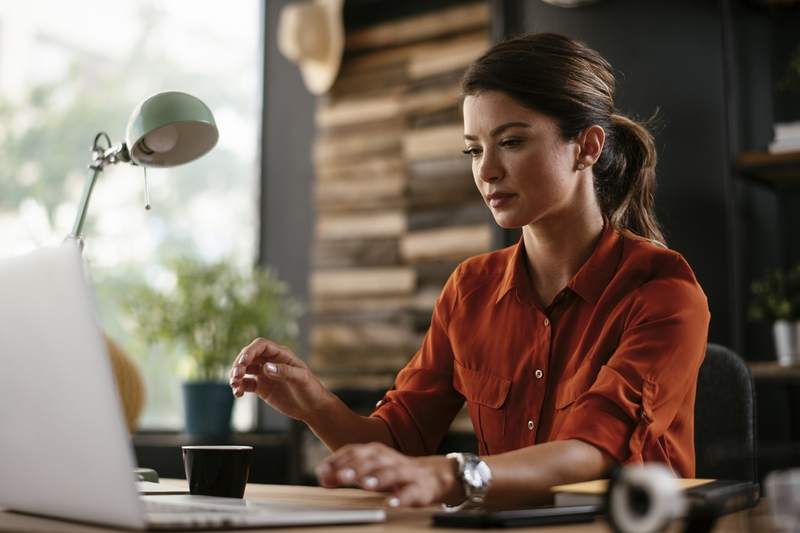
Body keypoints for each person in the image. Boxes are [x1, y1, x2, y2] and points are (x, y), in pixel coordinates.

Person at [229, 32, 710, 510]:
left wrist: (454, 474)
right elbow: (400, 443)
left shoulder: (664, 291)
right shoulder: (470, 289)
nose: (487, 171)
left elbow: (593, 451)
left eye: (512, 142)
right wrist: (313, 403)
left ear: (586, 147)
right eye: (474, 150)